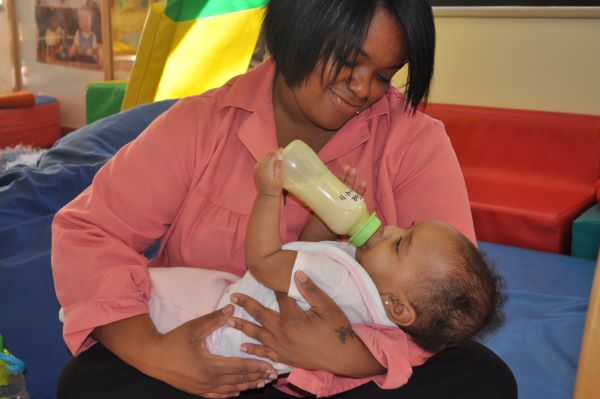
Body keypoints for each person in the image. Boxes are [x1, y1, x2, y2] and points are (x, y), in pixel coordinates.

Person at [51, 0, 517, 398]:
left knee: (481, 379)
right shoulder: (202, 124)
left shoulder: (415, 142)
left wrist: (346, 353)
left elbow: (449, 299)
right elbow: (91, 230)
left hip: (346, 372)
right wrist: (158, 354)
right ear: (298, 29)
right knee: (85, 383)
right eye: (349, 62)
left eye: (383, 74)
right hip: (218, 353)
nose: (363, 89)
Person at [146, 151, 505, 396]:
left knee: (144, 289)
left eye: (400, 244)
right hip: (234, 336)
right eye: (405, 228)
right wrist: (325, 217)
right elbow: (310, 250)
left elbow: (266, 260)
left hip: (212, 321)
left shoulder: (342, 279)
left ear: (399, 307)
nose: (391, 229)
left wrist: (269, 195)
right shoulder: (375, 295)